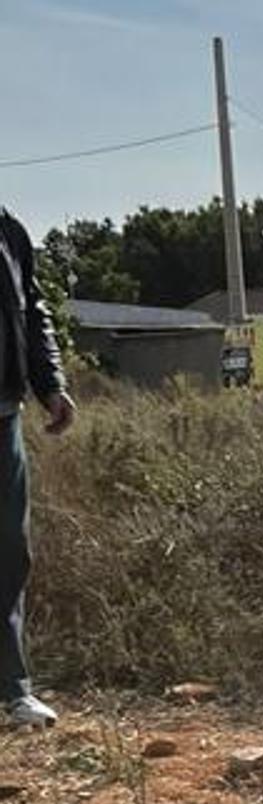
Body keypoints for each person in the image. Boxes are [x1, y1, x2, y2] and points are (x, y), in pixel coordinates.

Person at [0, 207, 76, 733]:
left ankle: (12, 690)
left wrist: (49, 383)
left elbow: (31, 311)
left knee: (8, 550)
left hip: (2, 415)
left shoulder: (7, 229)